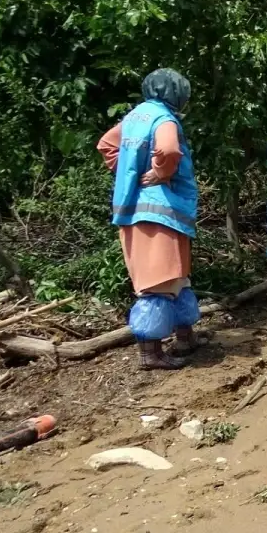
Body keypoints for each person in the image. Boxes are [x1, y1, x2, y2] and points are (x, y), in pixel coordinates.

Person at [97, 69, 202, 371]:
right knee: (159, 280)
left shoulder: (134, 117)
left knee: (176, 276)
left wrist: (129, 167)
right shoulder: (164, 119)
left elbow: (107, 144)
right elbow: (169, 149)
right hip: (159, 211)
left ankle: (185, 337)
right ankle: (150, 352)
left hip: (134, 209)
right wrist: (160, 171)